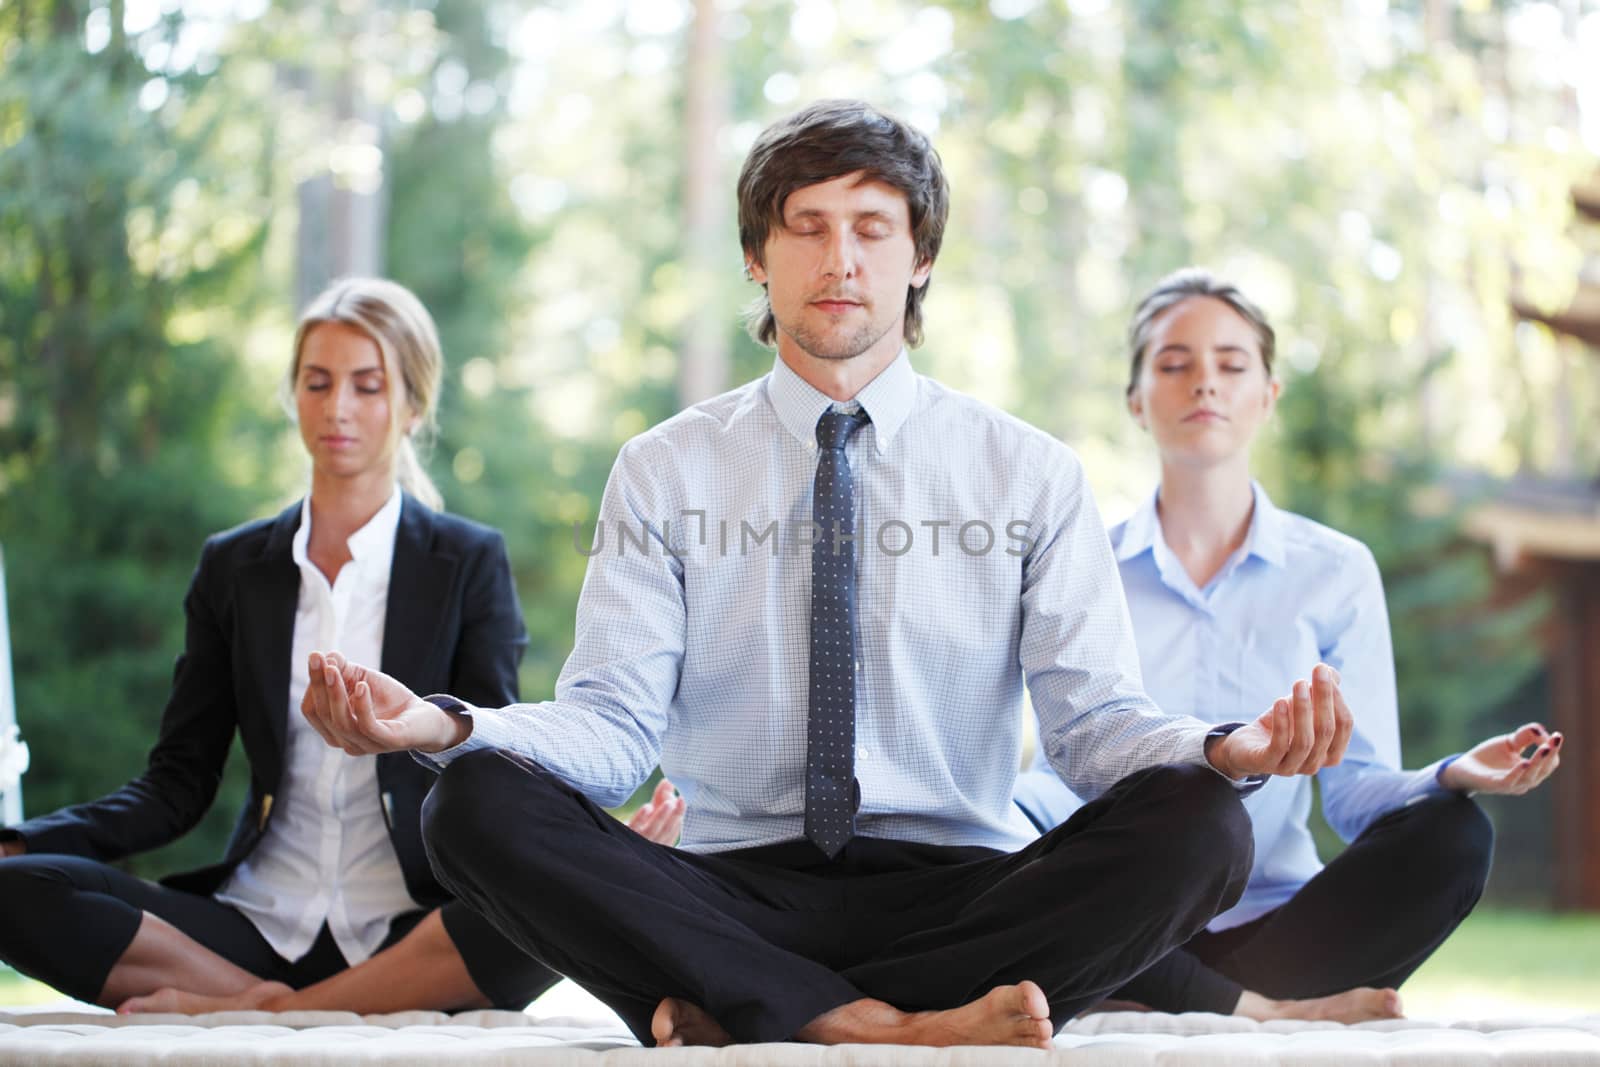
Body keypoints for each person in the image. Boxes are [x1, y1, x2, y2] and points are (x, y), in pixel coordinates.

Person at [297, 101, 1355, 1051]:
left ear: (920, 256)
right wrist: (437, 725)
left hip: (962, 891)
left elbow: (1091, 729)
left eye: (871, 228)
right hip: (729, 885)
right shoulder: (664, 469)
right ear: (758, 255)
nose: (838, 259)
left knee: (1207, 818)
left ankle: (752, 1004)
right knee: (470, 805)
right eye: (805, 226)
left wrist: (1229, 748)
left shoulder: (1029, 472)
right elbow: (612, 724)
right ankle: (885, 1022)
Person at [0, 277, 684, 1015]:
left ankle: (250, 1011)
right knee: (15, 892)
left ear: (412, 404)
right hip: (256, 920)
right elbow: (176, 783)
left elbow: (495, 760)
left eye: (367, 385)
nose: (338, 409)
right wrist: (23, 840)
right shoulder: (235, 568)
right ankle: (289, 999)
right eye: (317, 383)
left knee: (550, 909)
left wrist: (598, 847)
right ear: (293, 394)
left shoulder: (468, 561)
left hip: (415, 925)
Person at [1013, 268, 1562, 1023]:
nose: (1204, 381)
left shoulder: (1335, 571)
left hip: (1279, 930)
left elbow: (1358, 793)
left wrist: (1451, 774)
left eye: (1232, 364)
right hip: (1121, 918)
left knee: (1455, 835)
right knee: (1053, 834)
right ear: (1136, 399)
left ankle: (1206, 999)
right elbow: (1057, 773)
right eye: (1174, 363)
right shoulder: (1083, 565)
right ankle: (1259, 1011)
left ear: (1267, 394)